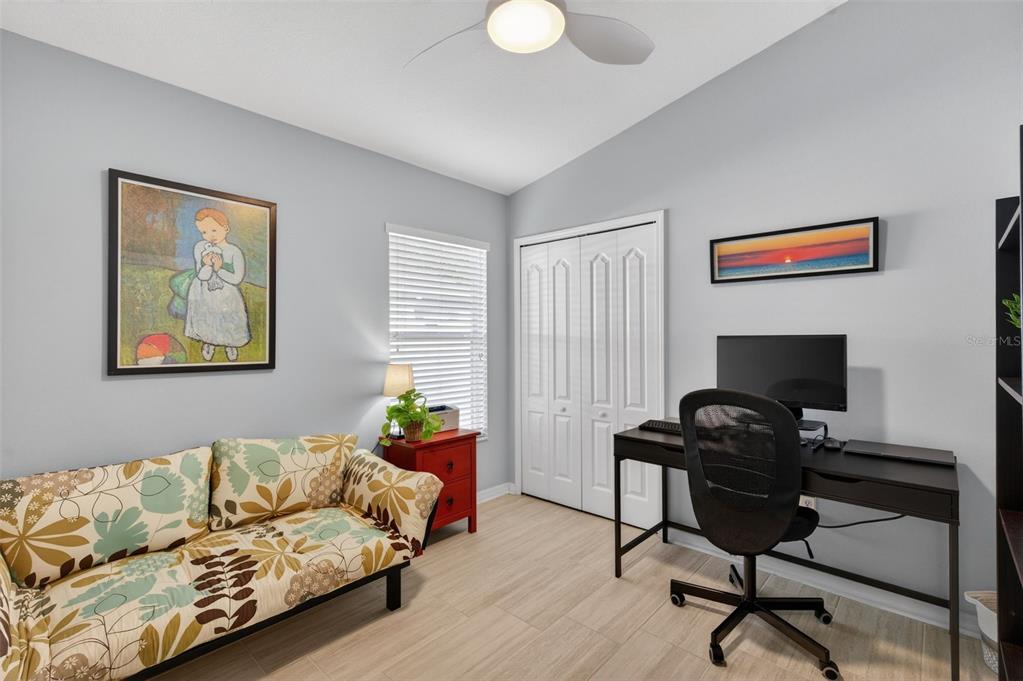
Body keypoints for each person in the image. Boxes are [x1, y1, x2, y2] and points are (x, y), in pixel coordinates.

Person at [184, 207, 250, 361]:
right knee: (207, 315)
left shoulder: (234, 251)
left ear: (225, 228)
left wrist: (219, 269)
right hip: (204, 291)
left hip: (227, 292)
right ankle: (208, 341)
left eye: (214, 230)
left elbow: (237, 279)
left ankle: (231, 343)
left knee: (228, 316)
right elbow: (201, 276)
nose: (210, 235)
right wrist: (207, 265)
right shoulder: (200, 247)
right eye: (204, 232)